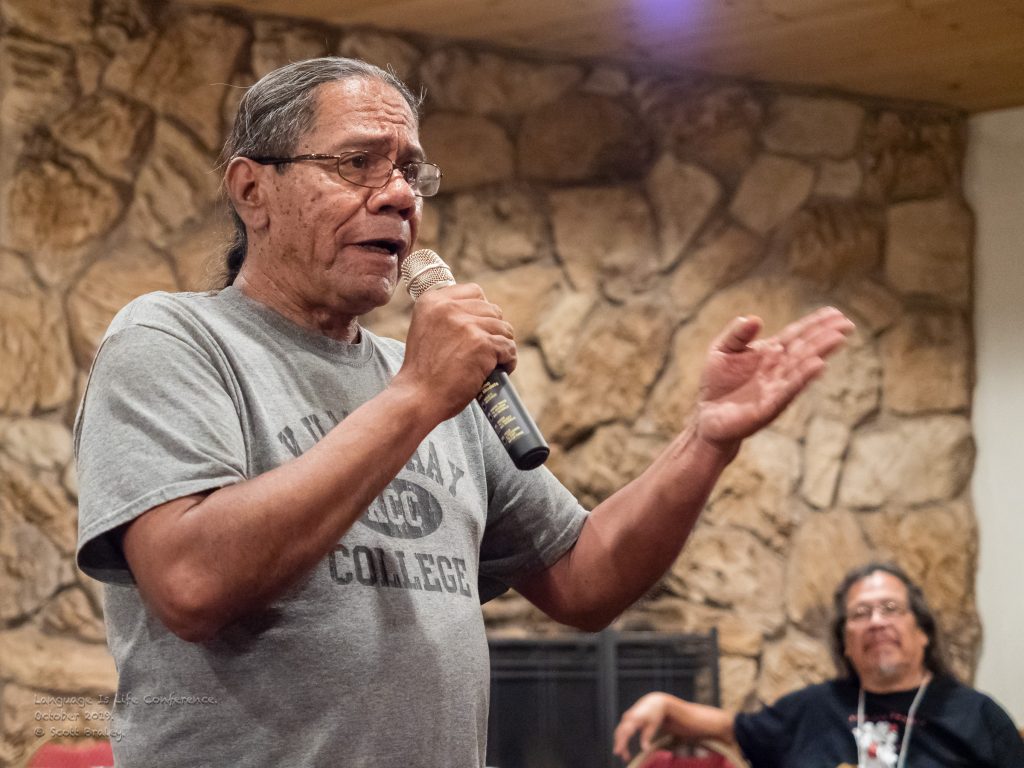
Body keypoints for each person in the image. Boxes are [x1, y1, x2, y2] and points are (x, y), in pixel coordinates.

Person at [74, 56, 854, 767]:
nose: (401, 195)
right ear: (253, 191)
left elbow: (585, 578)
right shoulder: (174, 338)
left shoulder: (428, 381)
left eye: (411, 172)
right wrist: (416, 397)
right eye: (357, 164)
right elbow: (190, 581)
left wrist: (705, 440)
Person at [613, 562, 1024, 768]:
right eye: (860, 613)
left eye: (890, 608)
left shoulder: (978, 716)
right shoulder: (811, 708)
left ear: (923, 632)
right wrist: (664, 703)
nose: (876, 621)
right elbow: (728, 728)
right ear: (845, 642)